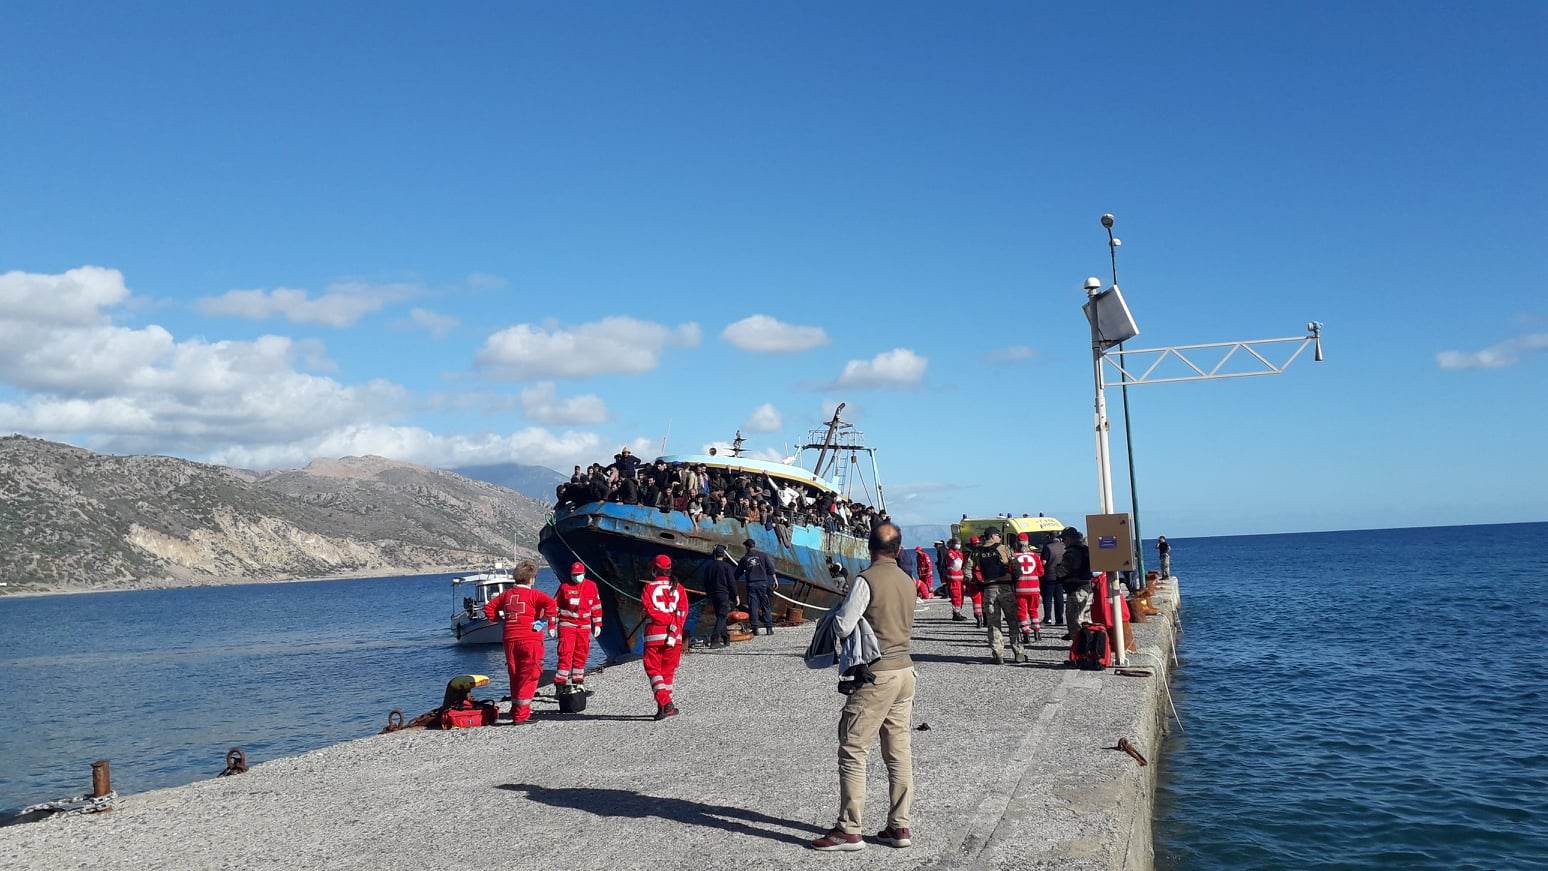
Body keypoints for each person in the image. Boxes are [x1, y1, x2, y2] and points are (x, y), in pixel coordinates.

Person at [810, 522, 916, 852]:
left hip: (876, 675)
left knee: (854, 749)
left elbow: (843, 625)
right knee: (898, 751)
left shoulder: (866, 580)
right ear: (898, 549)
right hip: (905, 672)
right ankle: (899, 827)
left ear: (869, 548)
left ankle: (849, 830)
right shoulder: (908, 580)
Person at [482, 561, 556, 724]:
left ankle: (516, 709)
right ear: (531, 579)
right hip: (530, 637)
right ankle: (521, 715)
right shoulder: (535, 595)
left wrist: (501, 622)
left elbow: (488, 609)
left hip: (509, 638)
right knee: (530, 674)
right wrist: (543, 622)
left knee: (515, 675)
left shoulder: (507, 595)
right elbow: (552, 605)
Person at [641, 554, 688, 719]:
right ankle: (664, 707)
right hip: (674, 637)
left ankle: (665, 702)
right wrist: (674, 628)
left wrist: (664, 621)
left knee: (653, 670)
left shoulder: (649, 588)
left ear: (654, 569)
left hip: (655, 635)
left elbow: (649, 610)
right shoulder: (679, 588)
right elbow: (682, 612)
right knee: (668, 672)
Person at [554, 562, 603, 693]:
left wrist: (597, 624)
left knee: (581, 654)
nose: (577, 577)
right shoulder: (564, 587)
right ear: (571, 575)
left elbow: (596, 606)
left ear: (584, 573)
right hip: (567, 626)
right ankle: (560, 685)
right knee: (565, 653)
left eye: (579, 574)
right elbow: (555, 607)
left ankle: (578, 682)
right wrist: (551, 625)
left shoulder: (591, 586)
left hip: (584, 627)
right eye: (574, 575)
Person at [975, 530, 1023, 664]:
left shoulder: (977, 552)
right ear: (992, 536)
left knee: (993, 623)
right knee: (1012, 621)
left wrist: (980, 585)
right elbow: (1015, 566)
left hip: (989, 590)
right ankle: (1018, 652)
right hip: (1005, 588)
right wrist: (1016, 579)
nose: (1000, 538)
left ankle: (998, 654)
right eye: (998, 535)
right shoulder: (1004, 548)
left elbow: (968, 571)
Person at [1058, 527, 1094, 640]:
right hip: (1087, 587)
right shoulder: (1086, 549)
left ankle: (1078, 648)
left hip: (1076, 590)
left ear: (1069, 538)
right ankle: (1090, 644)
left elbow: (1063, 571)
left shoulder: (1071, 553)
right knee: (1086, 619)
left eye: (1063, 539)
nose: (1062, 542)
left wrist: (1054, 570)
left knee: (1074, 619)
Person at [736, 537, 776, 635]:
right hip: (763, 584)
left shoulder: (744, 559)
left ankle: (755, 629)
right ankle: (769, 628)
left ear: (747, 547)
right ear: (754, 546)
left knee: (753, 606)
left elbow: (737, 573)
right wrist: (774, 579)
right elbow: (770, 569)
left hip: (751, 585)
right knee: (765, 605)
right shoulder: (763, 556)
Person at [1010, 534, 1044, 643]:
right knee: (1034, 610)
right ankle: (1037, 632)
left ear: (1017, 542)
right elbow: (1041, 572)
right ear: (1028, 542)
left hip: (1020, 589)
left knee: (1022, 611)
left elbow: (1011, 572)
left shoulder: (1014, 556)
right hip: (1034, 589)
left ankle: (1025, 634)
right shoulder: (1035, 556)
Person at [703, 545, 738, 648]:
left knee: (719, 616)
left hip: (713, 595)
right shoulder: (726, 567)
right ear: (724, 555)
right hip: (723, 594)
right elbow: (731, 582)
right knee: (722, 616)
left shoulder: (709, 567)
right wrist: (735, 595)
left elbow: (706, 582)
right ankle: (714, 640)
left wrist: (708, 594)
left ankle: (726, 638)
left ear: (714, 555)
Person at [1040, 534, 1066, 630]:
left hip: (1049, 575)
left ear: (1050, 538)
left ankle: (1048, 618)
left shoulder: (1047, 547)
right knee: (1059, 598)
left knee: (1048, 598)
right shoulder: (1064, 546)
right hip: (1060, 575)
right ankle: (1059, 619)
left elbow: (1043, 562)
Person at [943, 537, 967, 621]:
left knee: (960, 596)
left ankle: (958, 612)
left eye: (959, 543)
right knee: (956, 596)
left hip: (960, 578)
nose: (959, 545)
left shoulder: (958, 553)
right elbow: (957, 563)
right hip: (953, 578)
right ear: (952, 544)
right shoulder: (950, 553)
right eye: (957, 543)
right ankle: (956, 613)